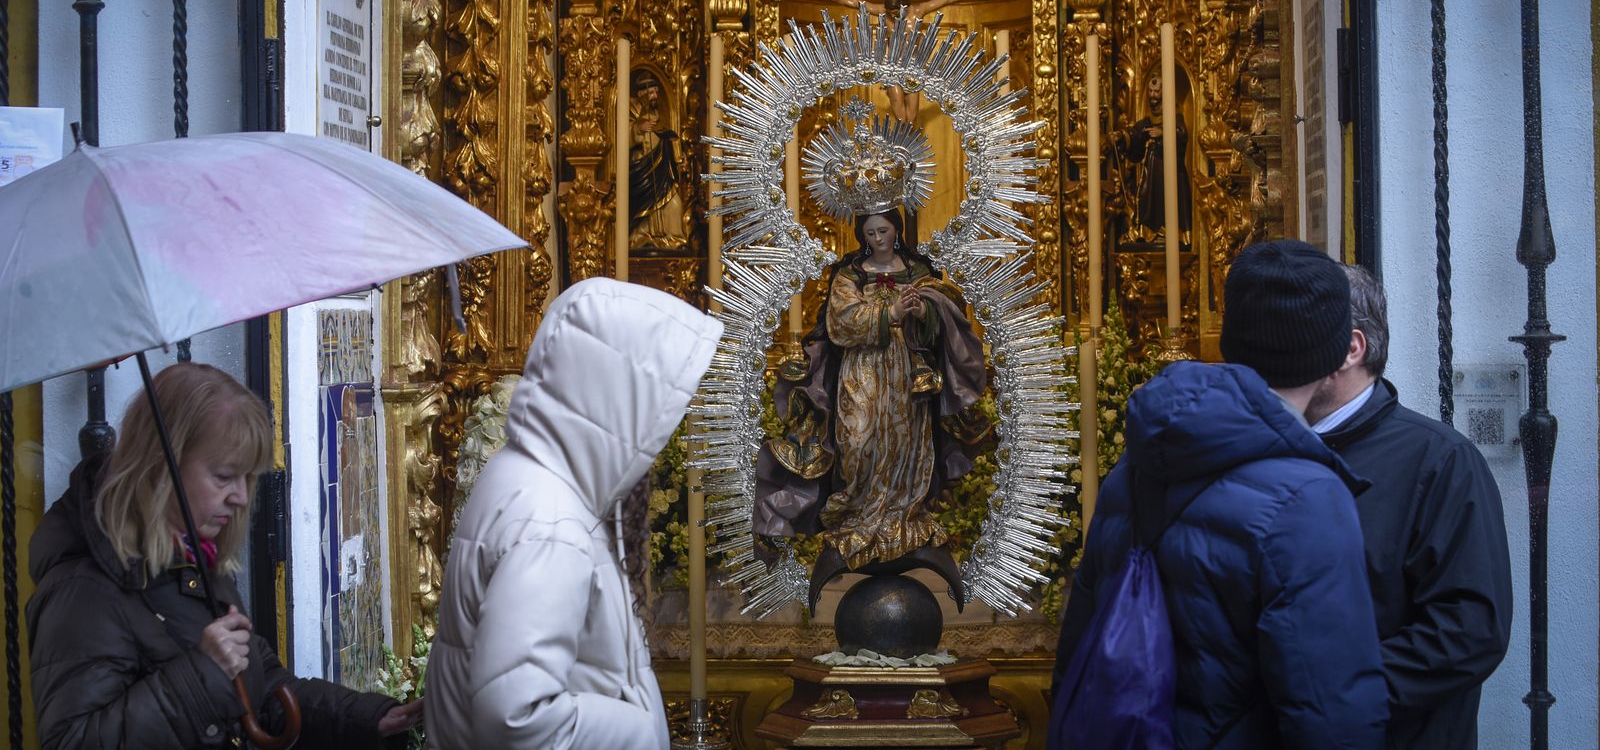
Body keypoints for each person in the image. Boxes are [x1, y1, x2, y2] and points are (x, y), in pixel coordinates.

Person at [1053, 239, 1388, 749]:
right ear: (1333, 352)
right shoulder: (1308, 497)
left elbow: (1079, 639)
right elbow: (1330, 710)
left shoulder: (1138, 465)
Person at [27, 361, 423, 750]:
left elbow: (263, 688)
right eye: (223, 476)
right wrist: (203, 674)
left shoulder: (194, 562)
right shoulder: (82, 592)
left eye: (247, 477)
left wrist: (369, 719)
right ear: (160, 467)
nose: (241, 497)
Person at [424, 278, 722, 750]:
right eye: (661, 413)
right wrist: (642, 731)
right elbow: (516, 718)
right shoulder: (551, 526)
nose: (663, 438)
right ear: (618, 399)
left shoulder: (525, 475)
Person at [1296, 264, 1511, 748]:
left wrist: (1328, 690)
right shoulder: (1271, 447)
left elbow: (1470, 631)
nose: (1279, 349)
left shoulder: (1442, 462)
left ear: (1352, 348)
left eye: (1299, 332)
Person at [754, 208, 989, 607]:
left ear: (896, 230)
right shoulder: (850, 275)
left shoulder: (917, 271)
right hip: (860, 372)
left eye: (884, 230)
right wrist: (889, 312)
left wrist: (921, 311)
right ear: (862, 235)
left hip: (905, 378)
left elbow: (943, 317)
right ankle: (859, 517)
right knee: (858, 442)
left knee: (905, 447)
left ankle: (903, 518)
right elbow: (841, 322)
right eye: (870, 232)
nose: (878, 238)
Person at [812, 0, 993, 122]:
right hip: (893, 68)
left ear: (905, 6)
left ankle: (908, 159)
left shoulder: (918, 12)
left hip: (913, 68)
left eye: (896, 12)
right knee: (900, 116)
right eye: (890, 13)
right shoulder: (883, 12)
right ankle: (900, 155)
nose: (893, 16)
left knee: (911, 118)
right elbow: (854, 2)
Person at [1115, 74, 1191, 244]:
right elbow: (1136, 134)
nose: (1153, 95)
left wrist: (1164, 133)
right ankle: (1148, 231)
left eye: (1157, 91)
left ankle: (1171, 232)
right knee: (1147, 201)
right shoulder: (1149, 120)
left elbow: (1182, 134)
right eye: (1150, 91)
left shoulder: (1176, 117)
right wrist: (1122, 136)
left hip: (1170, 174)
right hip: (1151, 176)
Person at [627, 70, 690, 251]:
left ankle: (671, 238)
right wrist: (637, 128)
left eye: (656, 92)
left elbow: (664, 134)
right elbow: (620, 140)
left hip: (661, 169)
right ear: (641, 94)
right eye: (651, 93)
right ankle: (643, 237)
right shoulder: (630, 111)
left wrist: (677, 154)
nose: (655, 96)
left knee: (675, 204)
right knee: (644, 213)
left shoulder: (656, 115)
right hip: (642, 170)